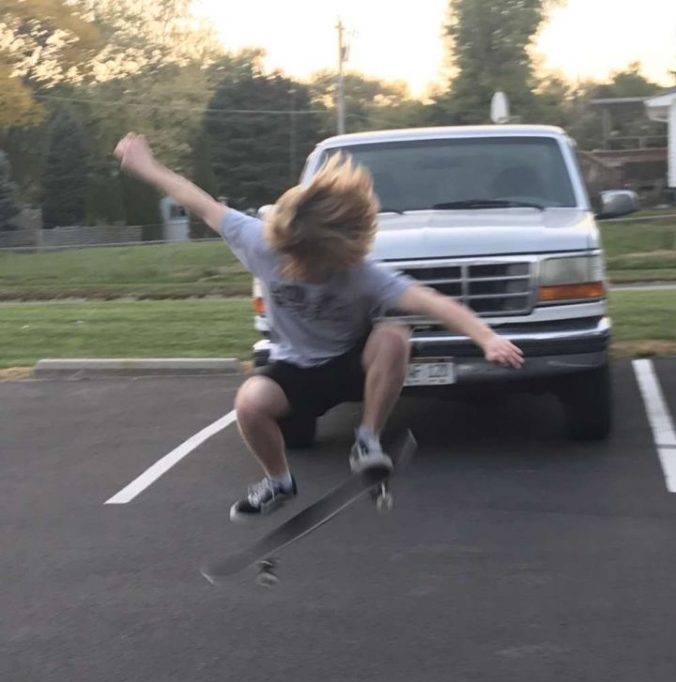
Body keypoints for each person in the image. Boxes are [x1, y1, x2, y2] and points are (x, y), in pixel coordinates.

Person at [114, 133, 524, 522]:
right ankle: (279, 481)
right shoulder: (258, 240)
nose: (303, 271)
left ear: (341, 254)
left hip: (351, 363)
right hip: (296, 369)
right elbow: (199, 202)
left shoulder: (362, 274)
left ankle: (367, 440)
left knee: (395, 336)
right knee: (248, 403)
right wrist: (147, 167)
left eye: (315, 266)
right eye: (294, 261)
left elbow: (431, 302)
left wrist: (486, 337)